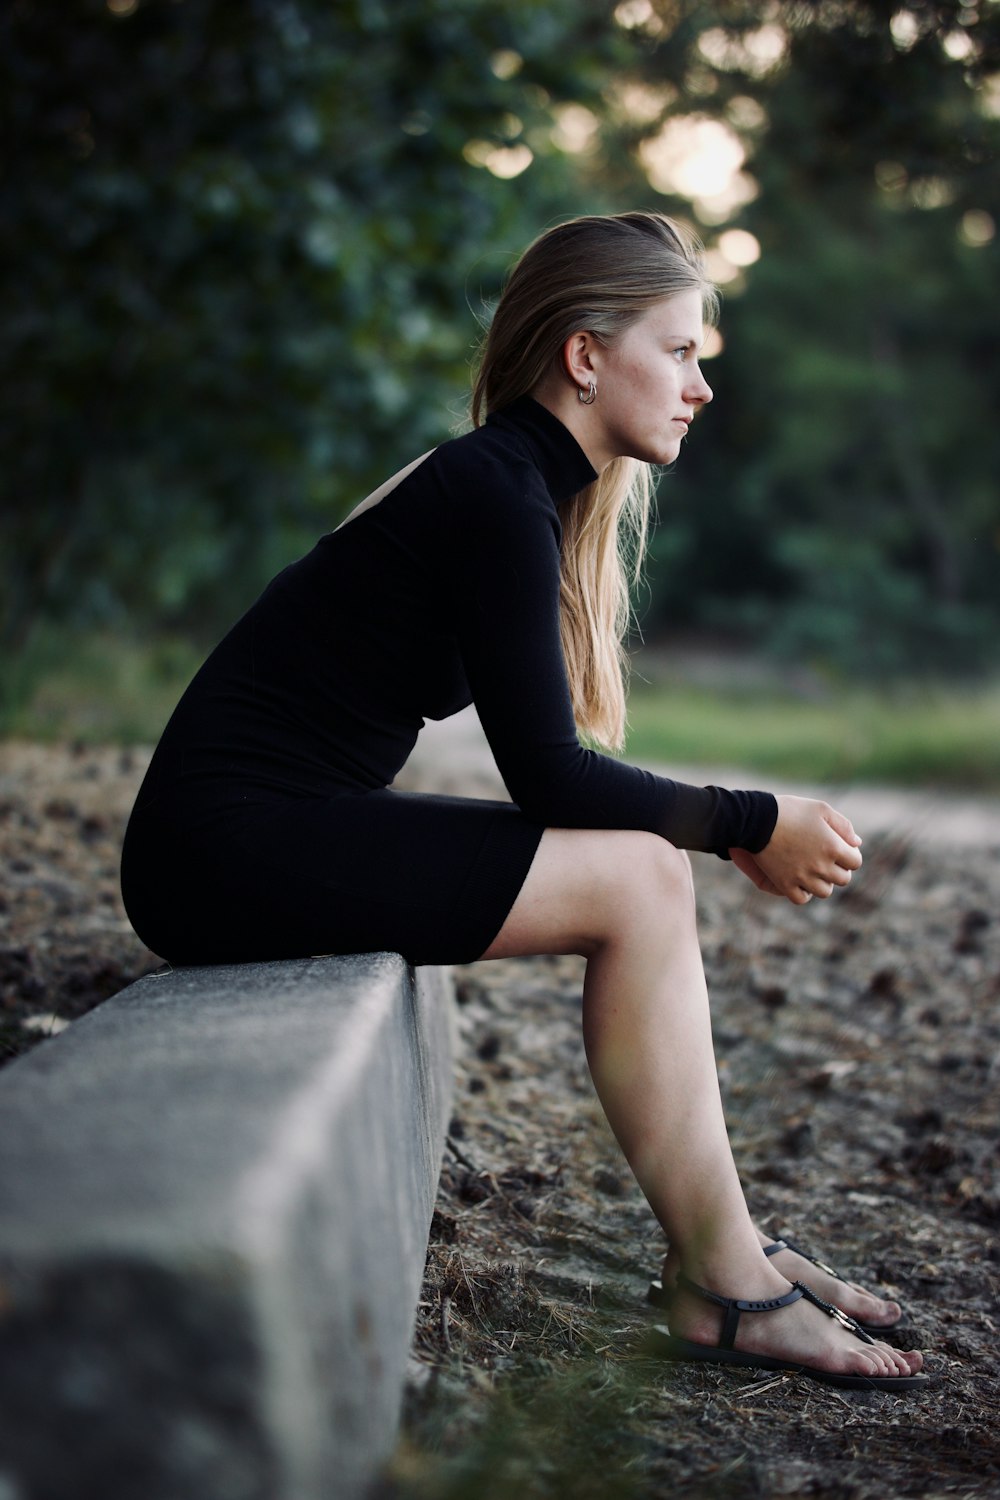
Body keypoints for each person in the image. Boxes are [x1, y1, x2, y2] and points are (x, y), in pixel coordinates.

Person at [121, 211, 926, 1390]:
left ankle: (732, 1253)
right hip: (222, 848)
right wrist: (751, 822)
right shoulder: (492, 491)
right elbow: (550, 777)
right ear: (586, 357)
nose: (701, 386)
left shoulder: (506, 483)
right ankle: (722, 1279)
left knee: (639, 872)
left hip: (243, 839)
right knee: (640, 877)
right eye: (682, 352)